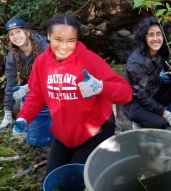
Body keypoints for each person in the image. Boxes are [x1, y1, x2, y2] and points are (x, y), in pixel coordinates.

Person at [12, 13, 132, 174]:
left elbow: (126, 93)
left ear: (77, 39)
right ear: (48, 36)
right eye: (58, 39)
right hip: (64, 133)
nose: (64, 46)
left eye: (71, 40)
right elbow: (36, 95)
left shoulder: (89, 60)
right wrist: (23, 118)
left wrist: (100, 86)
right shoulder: (41, 63)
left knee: (77, 179)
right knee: (53, 178)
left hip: (96, 130)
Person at [123, 16, 171, 132]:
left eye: (158, 34)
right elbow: (141, 95)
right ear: (144, 37)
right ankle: (140, 123)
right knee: (160, 123)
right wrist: (166, 114)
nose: (156, 38)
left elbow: (170, 74)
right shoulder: (136, 61)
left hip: (154, 91)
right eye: (151, 35)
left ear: (163, 36)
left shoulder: (161, 53)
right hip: (135, 102)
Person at [0, 18, 49, 130]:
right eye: (11, 34)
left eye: (18, 31)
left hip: (50, 89)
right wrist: (7, 114)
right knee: (16, 107)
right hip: (32, 94)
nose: (15, 36)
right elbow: (10, 84)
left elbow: (51, 76)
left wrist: (27, 88)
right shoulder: (12, 56)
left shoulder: (44, 47)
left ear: (27, 33)